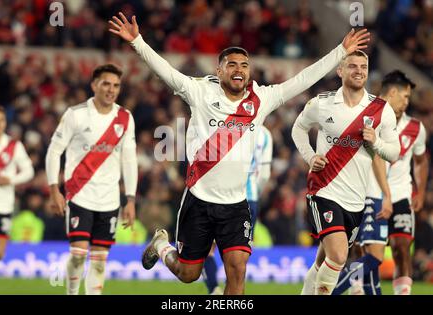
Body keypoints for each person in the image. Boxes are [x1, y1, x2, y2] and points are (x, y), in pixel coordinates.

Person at [109, 12, 370, 295]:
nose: (239, 69)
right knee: (188, 274)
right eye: (231, 64)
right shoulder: (200, 92)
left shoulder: (262, 99)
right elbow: (166, 72)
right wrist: (137, 42)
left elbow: (303, 79)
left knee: (237, 270)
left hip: (235, 205)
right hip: (199, 200)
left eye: (244, 65)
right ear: (219, 70)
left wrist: (340, 52)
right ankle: (161, 244)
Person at [292, 50, 401, 295]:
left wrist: (376, 143)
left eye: (363, 66)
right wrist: (311, 157)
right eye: (352, 66)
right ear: (340, 71)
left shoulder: (381, 110)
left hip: (356, 199)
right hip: (324, 189)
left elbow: (393, 152)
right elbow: (298, 128)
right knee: (339, 255)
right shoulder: (322, 103)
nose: (359, 70)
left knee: (324, 261)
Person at [333, 70, 428, 295]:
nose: (407, 101)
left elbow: (422, 160)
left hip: (399, 196)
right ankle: (347, 289)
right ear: (393, 92)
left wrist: (420, 191)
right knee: (364, 251)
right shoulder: (369, 119)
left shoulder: (416, 128)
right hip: (368, 193)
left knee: (401, 248)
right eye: (405, 96)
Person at [45, 64, 138, 295]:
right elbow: (54, 151)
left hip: (109, 200)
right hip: (79, 194)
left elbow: (129, 160)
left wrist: (131, 199)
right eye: (106, 83)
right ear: (94, 85)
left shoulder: (125, 118)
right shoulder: (75, 114)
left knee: (99, 260)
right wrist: (54, 189)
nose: (111, 89)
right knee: (78, 255)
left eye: (116, 85)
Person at [202, 125, 273, 295]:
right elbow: (264, 174)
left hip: (221, 196)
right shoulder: (264, 134)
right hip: (249, 199)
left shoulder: (225, 126)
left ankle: (214, 290)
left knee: (208, 249)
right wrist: (255, 192)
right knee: (239, 259)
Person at [0, 106, 34, 294]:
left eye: (1, 120)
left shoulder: (14, 146)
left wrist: (11, 180)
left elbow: (29, 172)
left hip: (4, 205)